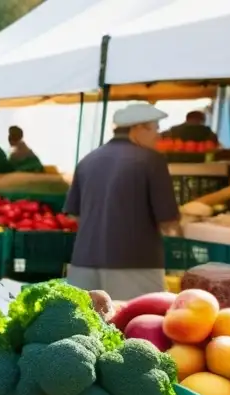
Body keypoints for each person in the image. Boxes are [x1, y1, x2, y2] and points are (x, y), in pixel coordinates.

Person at [64, 103, 179, 300]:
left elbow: (75, 214)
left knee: (88, 325)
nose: (158, 136)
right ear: (138, 128)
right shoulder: (150, 160)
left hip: (83, 262)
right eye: (155, 129)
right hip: (134, 263)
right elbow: (167, 220)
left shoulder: (88, 160)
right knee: (134, 325)